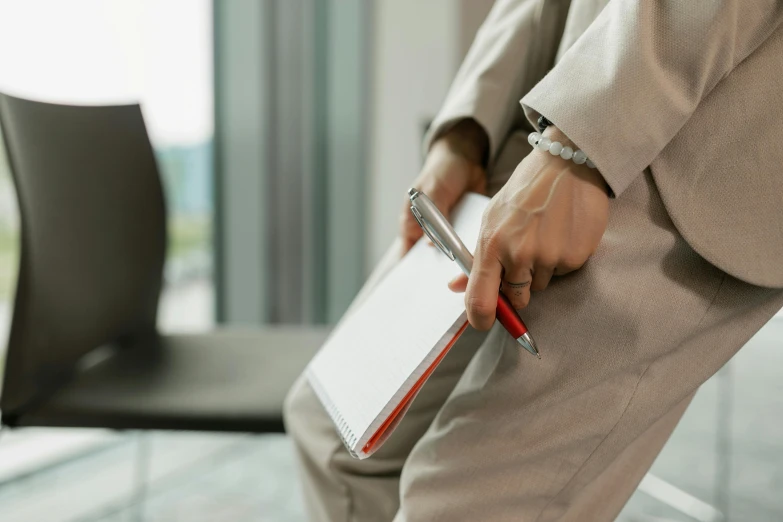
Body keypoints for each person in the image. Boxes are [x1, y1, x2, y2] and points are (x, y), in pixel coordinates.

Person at [284, 1, 783, 520]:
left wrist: (585, 140)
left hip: (689, 122)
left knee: (460, 503)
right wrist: (466, 130)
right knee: (332, 432)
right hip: (549, 97)